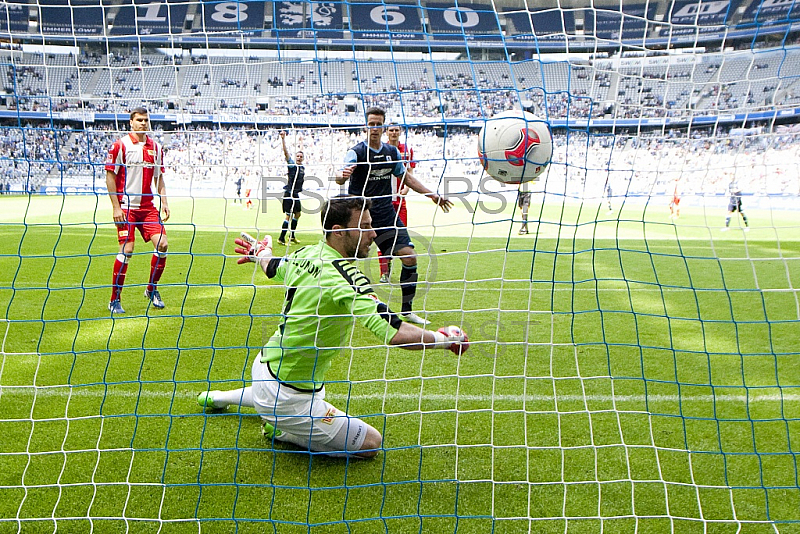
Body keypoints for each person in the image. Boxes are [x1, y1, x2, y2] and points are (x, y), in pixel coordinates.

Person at [197, 195, 469, 458]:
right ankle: (283, 432)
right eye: (364, 227)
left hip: (266, 365)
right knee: (371, 444)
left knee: (273, 391)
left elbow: (273, 266)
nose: (373, 234)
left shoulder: (307, 253)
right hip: (290, 397)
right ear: (338, 231)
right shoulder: (346, 279)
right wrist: (445, 339)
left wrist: (261, 253)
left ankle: (219, 397)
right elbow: (397, 333)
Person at [335, 107, 453, 326]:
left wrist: (432, 196)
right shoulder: (356, 152)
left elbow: (406, 178)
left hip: (386, 214)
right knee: (346, 261)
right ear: (365, 126)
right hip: (360, 216)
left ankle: (407, 311)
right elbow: (340, 177)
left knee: (409, 257)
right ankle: (337, 305)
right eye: (371, 124)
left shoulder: (392, 153)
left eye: (378, 124)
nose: (374, 129)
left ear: (383, 127)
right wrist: (340, 177)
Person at [105, 107, 169, 314]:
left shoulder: (156, 148)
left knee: (163, 244)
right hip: (126, 207)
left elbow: (159, 177)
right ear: (131, 122)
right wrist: (115, 207)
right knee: (127, 250)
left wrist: (165, 201)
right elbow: (110, 176)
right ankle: (114, 299)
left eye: (146, 120)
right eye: (139, 120)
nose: (143, 123)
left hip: (148, 207)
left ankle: (151, 288)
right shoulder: (120, 145)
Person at [379, 122, 413, 283]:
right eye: (391, 130)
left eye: (396, 130)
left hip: (400, 201)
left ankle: (405, 268)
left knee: (401, 237)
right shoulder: (380, 150)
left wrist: (406, 188)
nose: (393, 133)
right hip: (384, 201)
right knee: (383, 238)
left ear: (400, 132)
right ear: (386, 132)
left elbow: (410, 172)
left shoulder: (407, 150)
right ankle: (384, 272)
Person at [277, 130, 304, 246]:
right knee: (288, 216)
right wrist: (283, 139)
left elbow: (301, 151)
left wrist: (301, 142)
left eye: (300, 156)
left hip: (296, 194)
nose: (299, 157)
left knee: (297, 214)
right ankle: (281, 238)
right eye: (297, 156)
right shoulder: (292, 165)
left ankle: (292, 236)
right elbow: (286, 153)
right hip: (289, 193)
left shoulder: (302, 167)